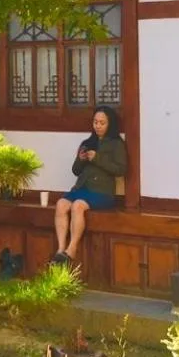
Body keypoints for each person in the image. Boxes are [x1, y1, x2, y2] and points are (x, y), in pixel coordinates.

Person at [53, 106, 126, 264]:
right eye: (95, 122)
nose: (98, 126)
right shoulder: (87, 143)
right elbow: (75, 171)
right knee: (61, 204)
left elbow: (121, 169)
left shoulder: (116, 144)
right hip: (81, 188)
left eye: (102, 123)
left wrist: (97, 158)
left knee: (77, 206)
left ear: (110, 124)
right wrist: (80, 159)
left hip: (102, 193)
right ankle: (60, 249)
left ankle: (71, 249)